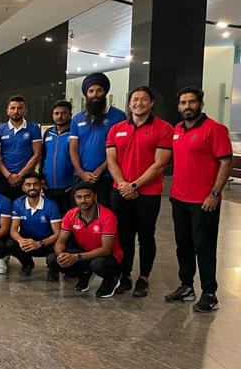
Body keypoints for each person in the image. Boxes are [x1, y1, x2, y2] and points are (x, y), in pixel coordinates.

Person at [166, 87, 232, 313]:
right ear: (178, 107)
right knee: (183, 245)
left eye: (191, 102)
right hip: (179, 198)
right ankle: (186, 286)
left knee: (204, 247)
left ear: (200, 105)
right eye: (183, 103)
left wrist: (215, 193)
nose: (187, 107)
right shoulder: (177, 130)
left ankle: (209, 293)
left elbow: (225, 162)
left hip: (204, 201)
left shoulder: (215, 129)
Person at [106, 86, 173, 297]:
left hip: (148, 193)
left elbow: (160, 164)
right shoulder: (117, 129)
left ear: (151, 103)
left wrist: (134, 185)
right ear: (129, 103)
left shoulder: (163, 128)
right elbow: (111, 161)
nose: (139, 103)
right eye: (135, 99)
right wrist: (124, 184)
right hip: (120, 191)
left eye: (144, 99)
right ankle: (124, 275)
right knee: (123, 236)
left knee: (146, 236)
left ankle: (144, 278)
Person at [46, 181, 123, 298]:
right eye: (79, 197)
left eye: (87, 196)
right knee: (53, 259)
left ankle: (111, 279)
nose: (83, 201)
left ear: (95, 197)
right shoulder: (70, 215)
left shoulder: (107, 216)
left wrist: (76, 257)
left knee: (98, 264)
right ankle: (85, 272)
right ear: (75, 198)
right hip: (85, 253)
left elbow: (106, 250)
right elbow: (60, 241)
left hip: (107, 256)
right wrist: (61, 255)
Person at [69, 72, 126, 204]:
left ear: (105, 92)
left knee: (105, 215)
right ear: (86, 94)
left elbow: (119, 149)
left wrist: (99, 170)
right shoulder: (77, 119)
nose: (95, 94)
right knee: (79, 216)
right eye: (91, 91)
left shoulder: (119, 117)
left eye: (99, 90)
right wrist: (81, 172)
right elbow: (73, 148)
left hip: (107, 176)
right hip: (81, 177)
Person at [6, 172, 61, 278]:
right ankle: (27, 264)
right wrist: (21, 241)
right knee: (10, 244)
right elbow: (13, 230)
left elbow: (58, 233)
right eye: (28, 185)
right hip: (28, 243)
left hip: (46, 243)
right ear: (23, 187)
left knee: (59, 247)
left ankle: (53, 268)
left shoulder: (51, 205)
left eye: (35, 184)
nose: (32, 187)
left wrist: (39, 243)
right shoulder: (18, 203)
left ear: (41, 186)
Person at [0, 96, 42, 201]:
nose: (16, 111)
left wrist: (20, 175)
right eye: (12, 108)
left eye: (19, 108)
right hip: (4, 178)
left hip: (26, 178)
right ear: (7, 111)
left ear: (24, 111)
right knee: (5, 211)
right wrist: (8, 176)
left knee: (23, 211)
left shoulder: (34, 128)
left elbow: (37, 154)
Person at [40, 99, 74, 215]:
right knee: (51, 219)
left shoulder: (74, 132)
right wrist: (41, 177)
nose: (60, 116)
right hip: (49, 187)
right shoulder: (48, 133)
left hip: (68, 187)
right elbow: (42, 157)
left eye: (64, 113)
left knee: (67, 219)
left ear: (70, 114)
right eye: (57, 113)